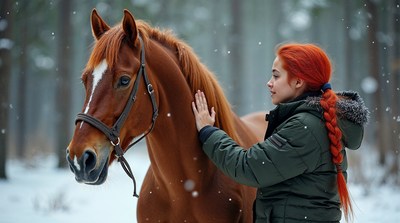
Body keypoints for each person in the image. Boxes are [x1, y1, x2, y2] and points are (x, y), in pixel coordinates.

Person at [191, 43, 369, 223]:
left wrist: (208, 132)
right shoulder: (315, 122)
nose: (269, 82)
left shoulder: (305, 129)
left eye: (276, 75)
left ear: (298, 82)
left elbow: (248, 167)